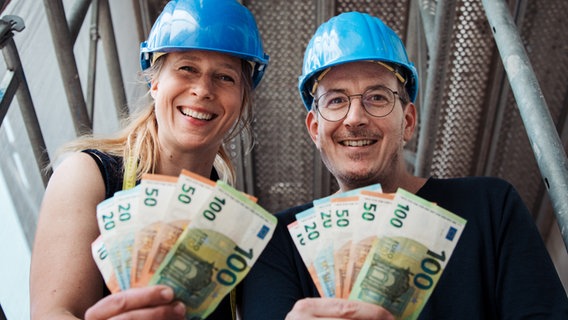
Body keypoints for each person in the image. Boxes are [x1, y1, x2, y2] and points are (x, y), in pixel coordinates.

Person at [238, 11, 568, 319]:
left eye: (377, 97)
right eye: (336, 100)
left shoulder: (491, 207)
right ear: (314, 129)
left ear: (408, 121)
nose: (355, 118)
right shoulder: (276, 241)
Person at [29, 0, 268, 319]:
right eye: (187, 68)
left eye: (225, 77)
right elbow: (52, 313)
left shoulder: (237, 222)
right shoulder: (86, 177)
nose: (203, 90)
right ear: (155, 82)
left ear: (241, 100)